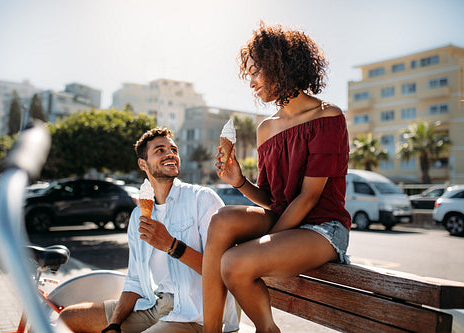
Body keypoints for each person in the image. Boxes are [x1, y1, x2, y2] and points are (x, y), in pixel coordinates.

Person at [202, 23, 351, 333]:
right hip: (285, 220)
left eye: (258, 72)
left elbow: (309, 197)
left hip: (322, 227)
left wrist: (259, 244)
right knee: (221, 219)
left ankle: (267, 330)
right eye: (249, 75)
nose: (252, 83)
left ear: (281, 66)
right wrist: (239, 182)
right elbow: (271, 198)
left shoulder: (327, 116)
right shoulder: (265, 129)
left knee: (234, 263)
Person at [60, 127, 239, 333]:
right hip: (153, 304)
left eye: (173, 149)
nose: (170, 154)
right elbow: (135, 280)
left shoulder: (202, 199)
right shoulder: (138, 215)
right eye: (160, 150)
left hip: (196, 314)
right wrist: (114, 325)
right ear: (142, 164)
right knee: (68, 318)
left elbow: (222, 272)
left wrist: (172, 246)